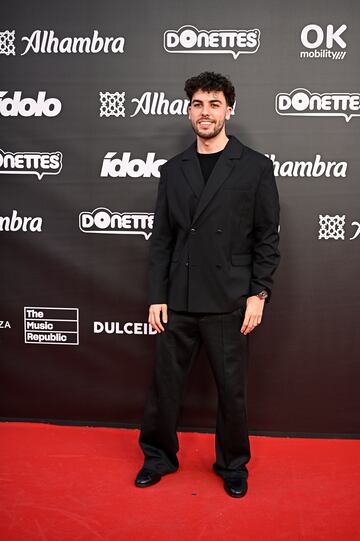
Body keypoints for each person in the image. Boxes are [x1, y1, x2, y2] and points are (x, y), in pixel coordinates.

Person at [135, 71, 280, 498]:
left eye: (215, 104)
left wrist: (259, 293)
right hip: (178, 298)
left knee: (231, 391)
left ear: (229, 111)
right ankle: (158, 456)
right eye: (198, 104)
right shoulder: (173, 169)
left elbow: (266, 239)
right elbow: (162, 239)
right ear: (188, 111)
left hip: (229, 298)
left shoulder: (255, 167)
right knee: (164, 387)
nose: (206, 112)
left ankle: (233, 465)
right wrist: (157, 297)